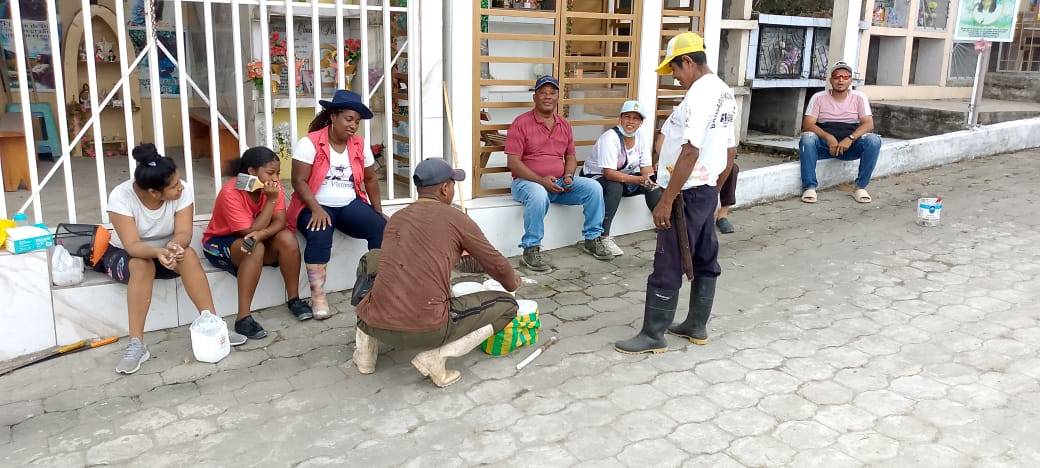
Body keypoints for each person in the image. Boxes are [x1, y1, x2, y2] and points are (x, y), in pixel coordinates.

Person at [353, 158, 521, 388]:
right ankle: (436, 357)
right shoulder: (457, 218)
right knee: (508, 305)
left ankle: (365, 351)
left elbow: (407, 260)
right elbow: (497, 265)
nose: (453, 189)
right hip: (428, 330)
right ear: (444, 188)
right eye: (453, 184)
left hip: (373, 322)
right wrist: (512, 282)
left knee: (371, 259)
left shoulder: (397, 217)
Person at [615, 32, 734, 354]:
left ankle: (653, 335)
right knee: (704, 256)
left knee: (668, 259)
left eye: (675, 70)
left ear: (688, 62)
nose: (675, 78)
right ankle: (696, 325)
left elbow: (690, 150)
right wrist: (714, 191)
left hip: (686, 192)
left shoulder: (699, 95)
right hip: (704, 190)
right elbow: (730, 150)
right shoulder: (724, 92)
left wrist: (666, 200)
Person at [104, 144, 245, 374]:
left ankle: (213, 325)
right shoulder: (121, 197)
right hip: (127, 256)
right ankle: (136, 344)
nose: (181, 187)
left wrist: (174, 247)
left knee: (187, 255)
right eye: (173, 186)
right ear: (154, 192)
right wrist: (158, 253)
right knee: (141, 265)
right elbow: (132, 245)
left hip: (166, 251)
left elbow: (184, 233)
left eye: (179, 181)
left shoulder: (183, 190)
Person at [288, 89, 387, 320]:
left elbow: (371, 179)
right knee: (320, 231)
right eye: (348, 119)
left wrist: (378, 211)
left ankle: (375, 284)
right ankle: (318, 295)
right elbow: (298, 181)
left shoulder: (359, 145)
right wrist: (316, 209)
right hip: (312, 205)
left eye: (357, 122)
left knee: (380, 227)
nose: (353, 126)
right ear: (333, 116)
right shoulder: (310, 143)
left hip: (348, 203)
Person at [203, 146, 314, 340]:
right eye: (270, 173)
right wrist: (271, 201)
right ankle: (243, 318)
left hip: (258, 236)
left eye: (278, 173)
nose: (276, 179)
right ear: (251, 171)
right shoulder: (231, 191)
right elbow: (248, 232)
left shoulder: (272, 187)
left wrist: (262, 233)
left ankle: (294, 300)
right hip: (220, 243)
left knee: (287, 238)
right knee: (253, 247)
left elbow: (280, 221)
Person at [506, 75, 612, 271]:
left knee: (593, 188)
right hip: (527, 183)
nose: (548, 96)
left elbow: (570, 156)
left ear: (557, 97)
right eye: (543, 92)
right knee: (538, 194)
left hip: (560, 183)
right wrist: (541, 180)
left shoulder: (564, 124)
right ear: (535, 97)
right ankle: (531, 249)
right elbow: (513, 163)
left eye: (552, 93)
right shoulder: (520, 123)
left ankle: (592, 238)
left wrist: (569, 175)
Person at [582, 100, 662, 256]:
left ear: (641, 122)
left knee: (652, 185)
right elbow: (609, 173)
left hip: (624, 176)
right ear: (620, 119)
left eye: (636, 118)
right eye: (627, 117)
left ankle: (664, 228)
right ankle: (603, 237)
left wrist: (649, 178)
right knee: (615, 186)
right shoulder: (610, 138)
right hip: (595, 177)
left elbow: (646, 168)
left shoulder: (641, 137)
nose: (631, 121)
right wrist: (639, 180)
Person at [799, 61, 882, 204]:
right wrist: (828, 137)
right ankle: (810, 187)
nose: (841, 80)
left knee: (874, 140)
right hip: (825, 146)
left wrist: (850, 138)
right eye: (837, 77)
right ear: (830, 80)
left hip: (850, 147)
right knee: (807, 139)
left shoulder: (859, 97)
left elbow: (869, 124)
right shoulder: (818, 97)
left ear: (851, 80)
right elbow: (808, 124)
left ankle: (860, 187)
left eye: (845, 77)